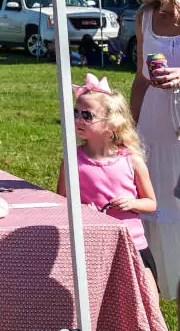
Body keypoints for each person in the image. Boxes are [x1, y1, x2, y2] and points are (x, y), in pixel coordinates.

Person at [59, 73, 157, 282]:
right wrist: (82, 209)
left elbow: (151, 203)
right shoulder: (72, 161)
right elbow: (61, 203)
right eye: (76, 113)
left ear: (112, 123)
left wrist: (131, 203)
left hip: (134, 243)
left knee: (147, 300)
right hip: (92, 245)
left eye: (87, 115)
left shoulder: (132, 160)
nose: (78, 119)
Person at [127, 0, 180, 300]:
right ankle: (162, 289)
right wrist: (127, 129)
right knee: (158, 204)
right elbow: (141, 77)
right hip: (155, 126)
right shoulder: (144, 17)